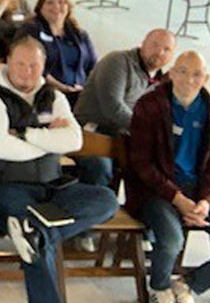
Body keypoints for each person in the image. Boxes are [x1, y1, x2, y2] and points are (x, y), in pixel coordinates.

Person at [0, 36, 118, 303]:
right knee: (34, 232)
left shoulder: (52, 95)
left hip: (52, 189)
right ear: (8, 61)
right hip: (4, 191)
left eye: (34, 65)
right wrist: (51, 138)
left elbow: (74, 141)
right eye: (21, 63)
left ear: (43, 66)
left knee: (105, 200)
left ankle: (38, 235)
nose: (26, 71)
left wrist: (24, 134)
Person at [126, 51, 210, 303]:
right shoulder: (150, 105)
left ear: (206, 78)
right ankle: (160, 288)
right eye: (183, 71)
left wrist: (206, 201)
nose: (190, 79)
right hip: (155, 190)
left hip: (197, 190)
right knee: (172, 239)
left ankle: (189, 286)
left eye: (197, 74)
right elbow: (142, 165)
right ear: (172, 72)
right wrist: (177, 199)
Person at [73, 29, 176, 187]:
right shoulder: (118, 61)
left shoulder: (160, 81)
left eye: (167, 49)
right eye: (155, 45)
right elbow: (113, 107)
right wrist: (147, 130)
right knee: (100, 166)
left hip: (124, 136)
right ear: (142, 44)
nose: (159, 52)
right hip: (91, 131)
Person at [15, 0, 97, 101]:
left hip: (81, 93)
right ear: (40, 8)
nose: (56, 6)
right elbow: (32, 66)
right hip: (46, 92)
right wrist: (61, 87)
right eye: (50, 2)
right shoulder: (31, 30)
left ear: (68, 7)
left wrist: (86, 88)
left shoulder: (79, 34)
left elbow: (93, 66)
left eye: (62, 2)